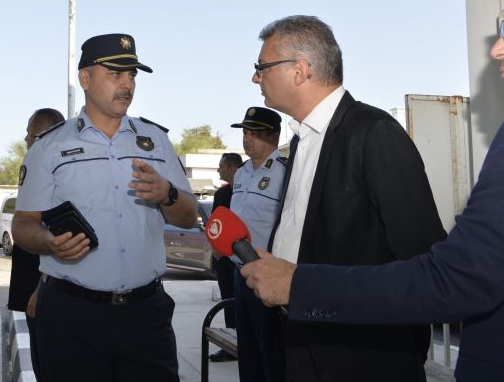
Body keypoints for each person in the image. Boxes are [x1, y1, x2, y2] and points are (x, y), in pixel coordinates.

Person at [242, 24, 504, 382]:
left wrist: (300, 286)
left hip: (361, 355)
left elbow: (423, 257)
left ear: (299, 70)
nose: (256, 77)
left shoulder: (374, 131)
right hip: (300, 340)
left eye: (262, 67)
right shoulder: (302, 139)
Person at [12, 33, 199, 382]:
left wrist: (168, 194)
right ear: (85, 79)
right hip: (71, 315)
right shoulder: (49, 147)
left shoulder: (156, 141)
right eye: (115, 73)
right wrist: (50, 242)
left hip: (145, 315)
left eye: (132, 75)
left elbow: (189, 216)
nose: (127, 84)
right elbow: (23, 224)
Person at [225, 107, 286, 382]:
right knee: (248, 351)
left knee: (272, 352)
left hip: (268, 273)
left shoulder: (285, 172)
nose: (247, 139)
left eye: (255, 133)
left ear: (273, 136)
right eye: (245, 133)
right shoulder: (242, 172)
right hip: (240, 272)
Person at [7, 107, 65, 381]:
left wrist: (41, 289)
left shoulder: (59, 171)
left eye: (29, 133)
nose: (25, 138)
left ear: (43, 135)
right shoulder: (37, 166)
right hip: (34, 276)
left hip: (45, 284)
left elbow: (59, 235)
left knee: (50, 362)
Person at [208, 151, 243, 363]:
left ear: (231, 167)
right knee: (228, 300)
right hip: (223, 258)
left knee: (246, 303)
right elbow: (214, 223)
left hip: (243, 258)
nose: (218, 169)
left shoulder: (246, 190)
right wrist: (216, 249)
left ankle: (248, 345)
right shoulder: (221, 194)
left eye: (221, 166)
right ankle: (232, 345)